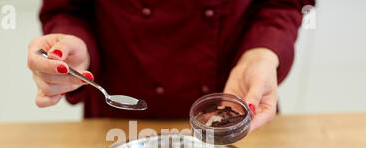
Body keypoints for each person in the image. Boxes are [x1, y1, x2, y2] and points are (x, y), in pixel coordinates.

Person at [28, 0, 314, 131]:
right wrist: (74, 46)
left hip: (234, 104)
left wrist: (262, 52)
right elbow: (66, 8)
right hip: (122, 120)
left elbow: (286, 3)